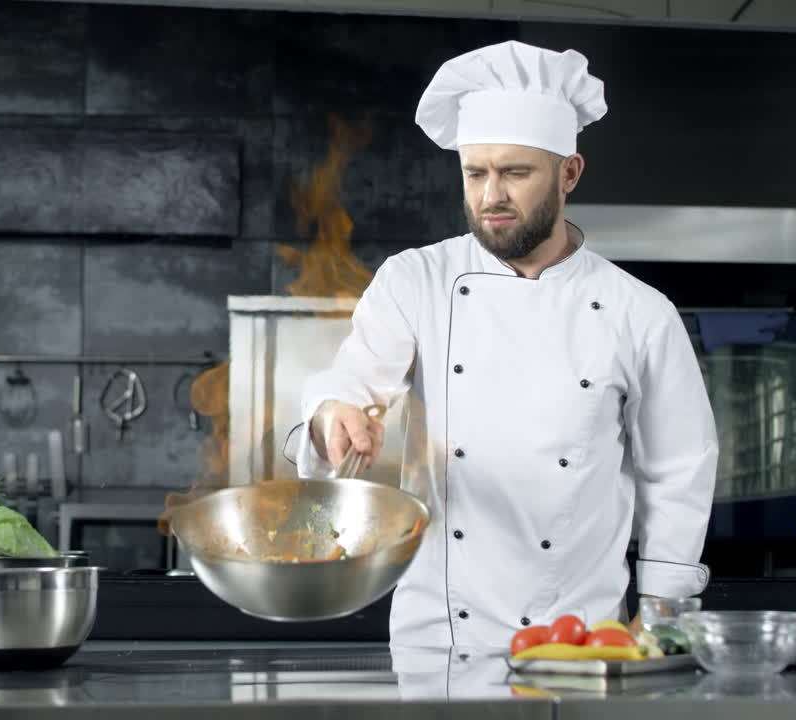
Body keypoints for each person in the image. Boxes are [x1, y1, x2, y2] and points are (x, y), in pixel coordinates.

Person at [293, 39, 718, 650]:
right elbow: (351, 385)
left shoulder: (639, 312)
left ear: (569, 172)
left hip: (581, 637)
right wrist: (332, 415)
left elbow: (679, 470)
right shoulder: (417, 279)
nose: (492, 195)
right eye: (476, 173)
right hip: (440, 639)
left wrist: (659, 613)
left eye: (516, 173)